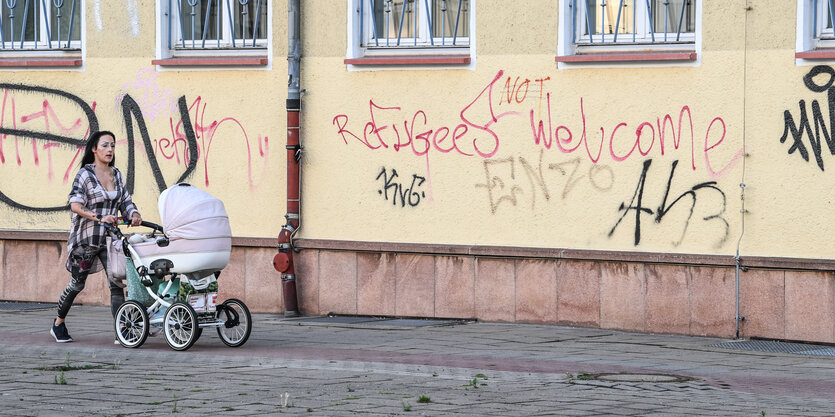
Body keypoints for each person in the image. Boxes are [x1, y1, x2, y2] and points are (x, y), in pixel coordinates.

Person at [51, 131, 142, 343]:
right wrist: (100, 217)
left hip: (110, 240)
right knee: (76, 285)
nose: (110, 150)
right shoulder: (84, 175)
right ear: (94, 148)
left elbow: (126, 202)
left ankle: (122, 329)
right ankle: (58, 323)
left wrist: (134, 214)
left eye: (112, 146)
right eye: (105, 146)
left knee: (116, 283)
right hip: (86, 239)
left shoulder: (116, 174)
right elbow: (75, 205)